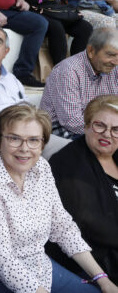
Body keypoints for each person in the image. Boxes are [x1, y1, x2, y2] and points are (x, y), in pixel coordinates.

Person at [0, 103, 118, 293]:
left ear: (42, 143)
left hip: (41, 266)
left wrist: (101, 278)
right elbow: (1, 261)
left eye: (33, 140)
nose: (25, 149)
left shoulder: (41, 167)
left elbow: (62, 226)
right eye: (14, 139)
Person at [0, 25, 72, 159]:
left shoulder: (11, 79)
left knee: (73, 149)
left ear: (6, 51)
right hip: (3, 139)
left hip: (27, 134)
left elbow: (25, 105)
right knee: (68, 152)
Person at [50, 95, 118, 284]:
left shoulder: (114, 155)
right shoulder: (68, 163)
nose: (107, 134)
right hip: (93, 260)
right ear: (87, 125)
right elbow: (90, 223)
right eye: (100, 125)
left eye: (116, 129)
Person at [40, 28, 118, 139]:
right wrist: (108, 130)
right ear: (91, 51)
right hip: (61, 130)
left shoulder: (113, 68)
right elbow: (71, 121)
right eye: (110, 55)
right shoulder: (68, 71)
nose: (116, 62)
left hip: (101, 126)